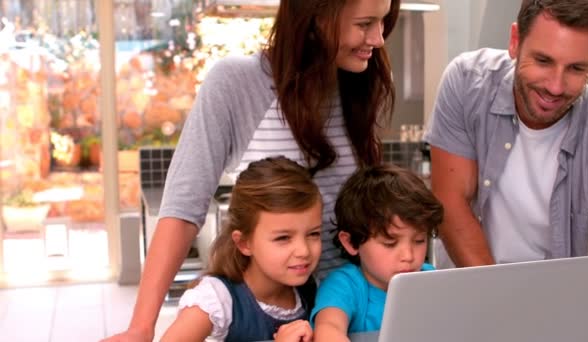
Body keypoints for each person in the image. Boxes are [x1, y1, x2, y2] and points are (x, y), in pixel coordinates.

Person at [105, 0, 402, 340]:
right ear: (315, 16)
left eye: (383, 21)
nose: (378, 39)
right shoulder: (236, 83)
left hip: (350, 320)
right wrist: (141, 326)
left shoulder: (364, 84)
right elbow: (183, 208)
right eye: (364, 24)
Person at [425, 0, 588, 268]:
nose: (556, 87)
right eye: (543, 61)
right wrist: (501, 303)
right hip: (469, 291)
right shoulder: (467, 82)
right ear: (515, 41)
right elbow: (451, 205)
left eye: (576, 68)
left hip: (557, 301)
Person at [160, 156, 321, 342]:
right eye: (283, 238)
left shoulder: (313, 290)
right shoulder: (216, 300)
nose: (304, 251)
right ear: (244, 243)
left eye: (313, 234)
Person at [311, 164, 443, 340]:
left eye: (419, 240)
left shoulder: (431, 279)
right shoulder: (345, 286)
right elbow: (329, 329)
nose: (408, 256)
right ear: (351, 242)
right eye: (390, 243)